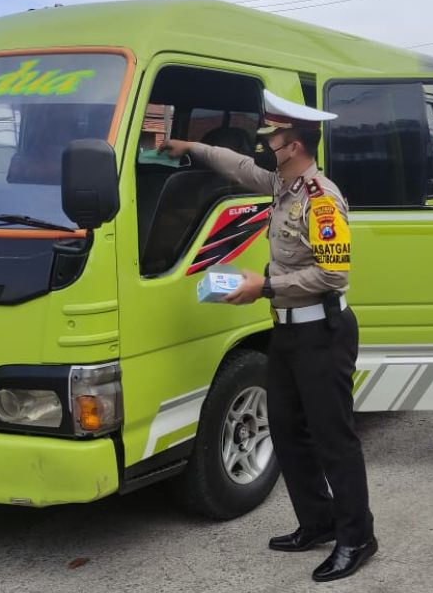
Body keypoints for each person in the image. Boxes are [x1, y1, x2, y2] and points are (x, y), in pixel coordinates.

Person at [161, 92, 376, 583]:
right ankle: (317, 522)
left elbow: (334, 276)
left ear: (293, 145)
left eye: (272, 139)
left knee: (333, 439)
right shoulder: (283, 185)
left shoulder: (321, 200)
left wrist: (266, 287)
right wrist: (187, 146)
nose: (265, 147)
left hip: (323, 331)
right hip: (288, 334)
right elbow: (237, 167)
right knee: (286, 430)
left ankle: (357, 535)